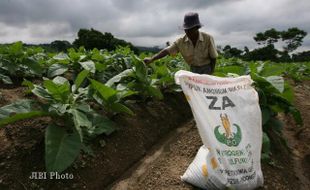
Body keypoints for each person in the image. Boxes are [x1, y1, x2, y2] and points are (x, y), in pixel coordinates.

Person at [144, 12, 218, 75]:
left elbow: (213, 57)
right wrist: (151, 59)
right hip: (193, 69)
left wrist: (211, 72)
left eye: (190, 29)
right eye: (186, 29)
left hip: (207, 68)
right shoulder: (181, 42)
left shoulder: (207, 38)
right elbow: (167, 51)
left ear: (196, 28)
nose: (187, 32)